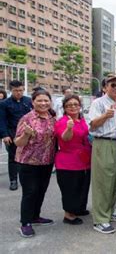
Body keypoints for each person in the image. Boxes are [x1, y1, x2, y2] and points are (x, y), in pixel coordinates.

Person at [88, 74, 116, 234]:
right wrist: (105, 116)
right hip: (103, 143)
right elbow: (92, 125)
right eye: (113, 85)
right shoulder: (98, 103)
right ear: (105, 87)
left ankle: (109, 212)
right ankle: (100, 219)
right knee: (103, 182)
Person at [14, 89, 56, 238]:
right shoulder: (27, 118)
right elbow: (18, 142)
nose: (43, 103)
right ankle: (25, 223)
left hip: (46, 161)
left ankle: (35, 216)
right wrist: (26, 134)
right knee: (30, 192)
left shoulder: (52, 117)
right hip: (28, 162)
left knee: (41, 190)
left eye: (46, 100)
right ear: (33, 102)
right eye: (39, 100)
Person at [54, 94, 92, 225]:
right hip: (68, 162)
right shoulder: (63, 122)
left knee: (82, 186)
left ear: (80, 107)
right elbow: (65, 138)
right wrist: (69, 128)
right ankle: (69, 214)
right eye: (69, 105)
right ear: (64, 107)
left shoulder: (81, 120)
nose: (73, 107)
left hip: (83, 160)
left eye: (76, 104)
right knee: (71, 189)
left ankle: (79, 208)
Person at [0, 80, 33, 191]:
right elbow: (2, 120)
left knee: (29, 157)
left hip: (28, 132)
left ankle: (28, 179)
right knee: (13, 158)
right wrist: (5, 135)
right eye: (16, 90)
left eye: (20, 90)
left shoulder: (29, 101)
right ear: (11, 91)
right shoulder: (4, 104)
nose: (18, 92)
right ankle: (13, 180)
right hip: (12, 133)